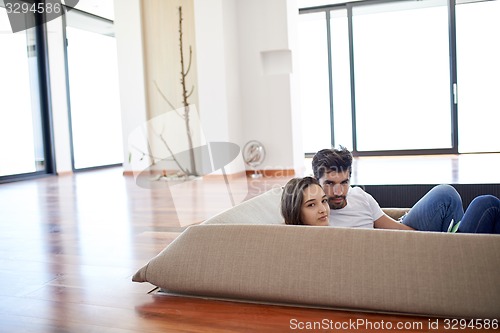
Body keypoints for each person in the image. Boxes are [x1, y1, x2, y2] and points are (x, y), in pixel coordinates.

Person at [308, 147, 500, 234]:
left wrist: (433, 238)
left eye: (344, 182)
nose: (339, 191)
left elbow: (400, 230)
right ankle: (460, 246)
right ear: (316, 181)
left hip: (402, 237)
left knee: (478, 200)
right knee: (485, 204)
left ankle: (457, 244)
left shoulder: (359, 195)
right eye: (330, 184)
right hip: (392, 254)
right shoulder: (315, 213)